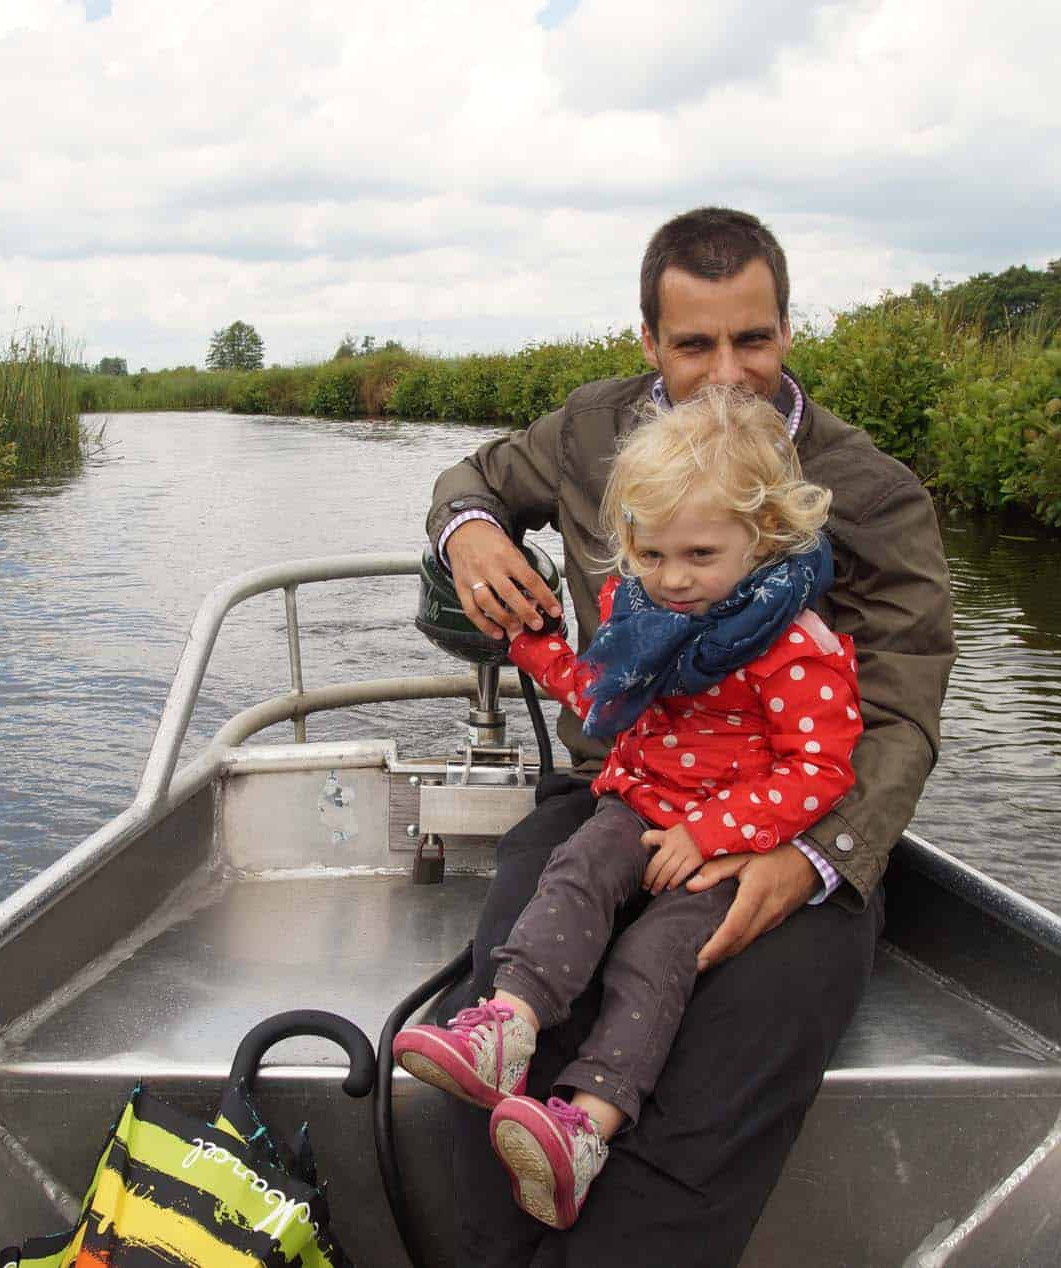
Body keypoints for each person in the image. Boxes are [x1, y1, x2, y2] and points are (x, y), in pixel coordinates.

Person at [425, 206, 955, 1265]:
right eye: (694, 342)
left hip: (796, 825)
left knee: (729, 1061)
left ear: (788, 330)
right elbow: (473, 480)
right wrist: (471, 530)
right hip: (618, 789)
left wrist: (807, 862)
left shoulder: (874, 492)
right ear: (649, 344)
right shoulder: (587, 428)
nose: (725, 372)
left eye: (751, 339)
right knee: (514, 982)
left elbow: (900, 711)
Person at [395, 389, 862, 1230]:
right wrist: (531, 646)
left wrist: (712, 833)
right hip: (638, 801)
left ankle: (586, 1127)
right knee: (572, 872)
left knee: (652, 956)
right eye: (649, 552)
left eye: (699, 554)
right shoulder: (638, 610)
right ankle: (507, 1025)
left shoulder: (795, 648)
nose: (672, 578)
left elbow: (819, 771)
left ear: (764, 541)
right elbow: (601, 695)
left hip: (726, 844)